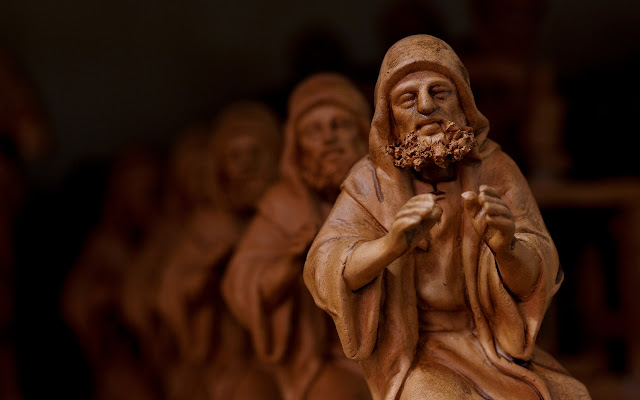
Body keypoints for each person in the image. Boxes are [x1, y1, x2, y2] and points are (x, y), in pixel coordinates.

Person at [303, 35, 590, 400]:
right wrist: (389, 246)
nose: (426, 106)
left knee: (571, 395)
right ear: (389, 117)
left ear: (463, 104)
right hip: (414, 352)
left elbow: (536, 275)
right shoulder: (369, 183)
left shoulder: (496, 170)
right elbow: (326, 265)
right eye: (408, 98)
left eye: (439, 93)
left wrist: (507, 248)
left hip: (491, 344)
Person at [222, 73, 372, 400]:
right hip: (332, 358)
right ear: (297, 146)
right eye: (313, 131)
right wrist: (288, 266)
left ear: (363, 132)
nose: (328, 139)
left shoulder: (393, 191)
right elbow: (243, 282)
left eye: (340, 125)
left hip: (401, 347)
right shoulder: (283, 209)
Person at [153, 102, 282, 400]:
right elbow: (171, 290)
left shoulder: (295, 212)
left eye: (255, 153)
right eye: (235, 157)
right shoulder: (208, 228)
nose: (246, 166)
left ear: (277, 155)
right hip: (243, 356)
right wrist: (202, 281)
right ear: (221, 169)